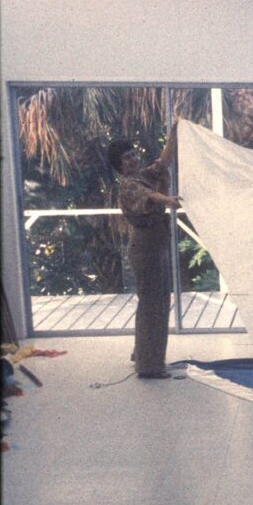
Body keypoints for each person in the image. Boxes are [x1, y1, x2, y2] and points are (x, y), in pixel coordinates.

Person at [109, 122, 182, 379]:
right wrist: (170, 200)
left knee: (155, 302)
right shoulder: (128, 184)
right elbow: (149, 196)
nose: (132, 160)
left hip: (156, 243)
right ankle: (149, 367)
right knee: (153, 305)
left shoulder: (142, 175)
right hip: (146, 247)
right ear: (119, 165)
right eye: (127, 158)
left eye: (133, 155)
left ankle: (143, 355)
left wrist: (173, 136)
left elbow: (163, 162)